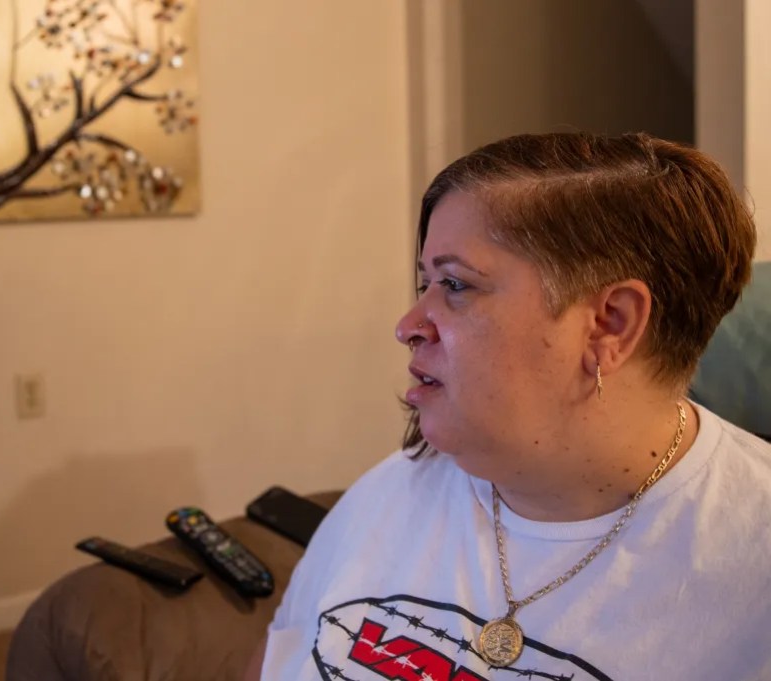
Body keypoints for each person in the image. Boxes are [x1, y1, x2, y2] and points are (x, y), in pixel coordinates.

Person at [243, 132, 771, 680]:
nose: (408, 326)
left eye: (455, 284)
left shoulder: (751, 569)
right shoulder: (393, 489)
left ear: (610, 322)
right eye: (426, 283)